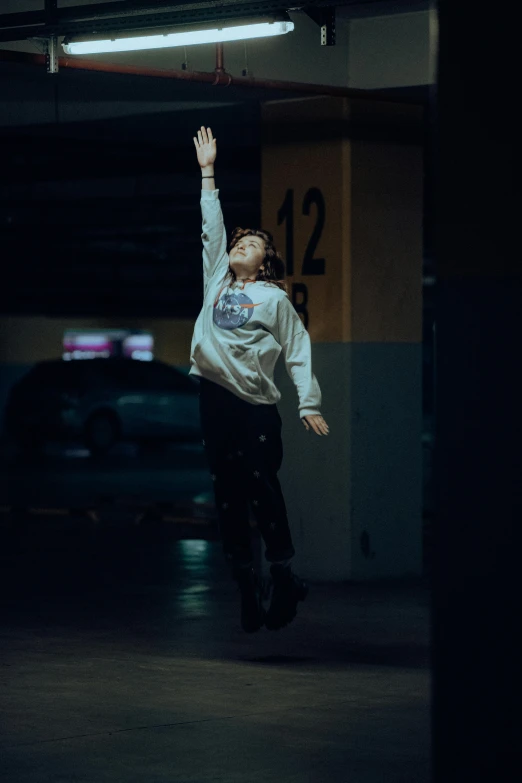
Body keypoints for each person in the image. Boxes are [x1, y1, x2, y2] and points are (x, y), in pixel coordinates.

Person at [190, 126, 329, 633]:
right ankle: (245, 582)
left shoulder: (273, 299)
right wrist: (208, 172)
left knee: (260, 485)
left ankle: (284, 575)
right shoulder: (215, 281)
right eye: (239, 240)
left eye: (250, 242)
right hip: (214, 400)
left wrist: (307, 403)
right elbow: (211, 227)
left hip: (254, 407)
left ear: (265, 260)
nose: (238, 244)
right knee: (226, 491)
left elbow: (298, 350)